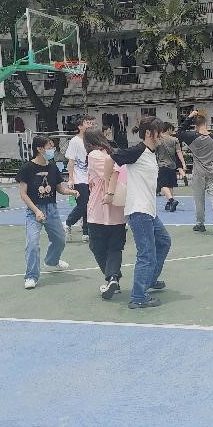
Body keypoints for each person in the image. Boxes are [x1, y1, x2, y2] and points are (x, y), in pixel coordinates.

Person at [111, 116, 172, 309]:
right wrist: (108, 190)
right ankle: (138, 296)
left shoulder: (151, 153)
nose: (162, 135)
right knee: (146, 254)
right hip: (139, 210)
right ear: (148, 133)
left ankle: (149, 279)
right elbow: (110, 159)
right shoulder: (137, 151)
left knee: (164, 241)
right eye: (159, 132)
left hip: (149, 210)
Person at [16, 136, 79, 290]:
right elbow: (23, 194)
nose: (52, 150)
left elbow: (59, 188)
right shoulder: (27, 168)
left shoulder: (52, 167)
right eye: (49, 147)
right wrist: (36, 211)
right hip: (34, 210)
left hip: (51, 209)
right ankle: (31, 276)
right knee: (32, 243)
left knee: (60, 239)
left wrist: (71, 192)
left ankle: (52, 261)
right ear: (39, 149)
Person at [84, 127, 127, 300]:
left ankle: (111, 278)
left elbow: (112, 172)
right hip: (118, 209)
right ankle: (113, 277)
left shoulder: (94, 155)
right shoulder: (112, 153)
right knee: (115, 247)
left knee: (97, 245)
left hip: (100, 209)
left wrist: (108, 192)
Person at [179, 110, 213, 236]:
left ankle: (200, 223)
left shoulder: (192, 137)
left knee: (199, 200)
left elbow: (180, 132)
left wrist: (189, 117)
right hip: (212, 171)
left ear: (195, 125)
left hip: (199, 173)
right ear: (206, 123)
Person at [64, 115, 97, 242]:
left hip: (91, 178)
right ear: (80, 126)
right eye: (87, 123)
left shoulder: (92, 140)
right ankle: (68, 223)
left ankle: (86, 232)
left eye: (92, 123)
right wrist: (70, 178)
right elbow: (71, 161)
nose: (91, 125)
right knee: (83, 204)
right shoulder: (75, 141)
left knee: (90, 206)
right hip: (79, 178)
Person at [155, 122, 187, 213]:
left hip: (162, 164)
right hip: (172, 165)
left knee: (163, 184)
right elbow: (179, 152)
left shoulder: (159, 139)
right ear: (168, 129)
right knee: (170, 185)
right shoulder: (175, 139)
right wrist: (183, 163)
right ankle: (169, 203)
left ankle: (172, 200)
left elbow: (154, 151)